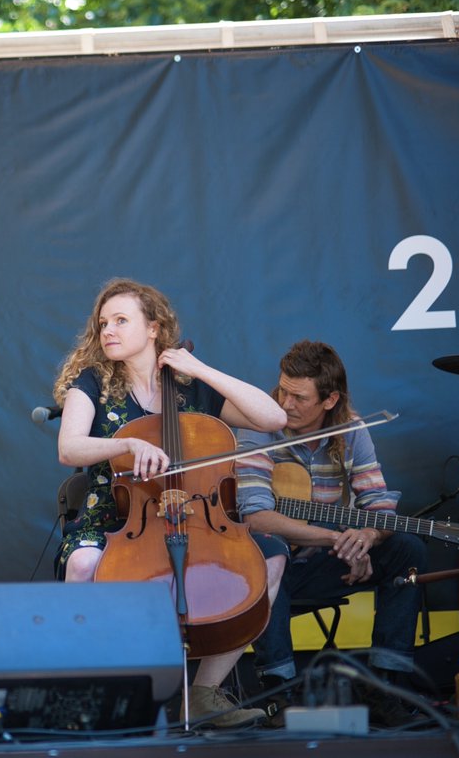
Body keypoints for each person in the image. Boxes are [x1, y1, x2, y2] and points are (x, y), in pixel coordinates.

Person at [53, 278, 289, 728]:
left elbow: (273, 418)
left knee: (270, 560)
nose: (109, 331)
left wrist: (201, 370)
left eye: (122, 321)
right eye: (104, 323)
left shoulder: (189, 388)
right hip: (115, 520)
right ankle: (85, 692)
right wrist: (125, 447)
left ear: (155, 328)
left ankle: (202, 693)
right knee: (82, 565)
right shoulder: (93, 384)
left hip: (196, 518)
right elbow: (70, 448)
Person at [235, 340, 427, 727]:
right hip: (274, 570)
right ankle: (279, 692)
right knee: (267, 549)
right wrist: (336, 538)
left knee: (408, 548)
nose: (285, 403)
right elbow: (256, 516)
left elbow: (377, 504)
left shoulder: (353, 431)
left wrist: (367, 539)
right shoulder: (259, 425)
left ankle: (384, 686)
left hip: (327, 564)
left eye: (298, 397)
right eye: (282, 390)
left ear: (329, 400)